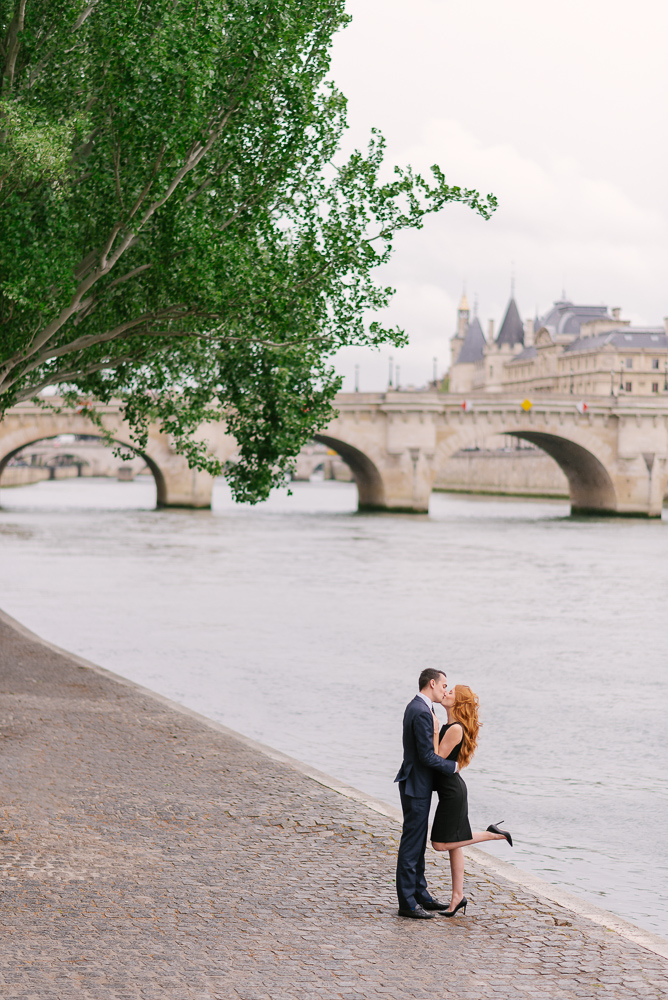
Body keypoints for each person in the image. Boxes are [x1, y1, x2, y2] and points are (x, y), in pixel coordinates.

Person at [430, 684, 512, 917]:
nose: (445, 693)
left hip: (452, 793)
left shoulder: (454, 728)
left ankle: (492, 834)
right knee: (454, 845)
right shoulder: (451, 725)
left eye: (450, 692)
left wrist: (435, 732)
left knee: (441, 844)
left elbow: (436, 759)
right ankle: (458, 897)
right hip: (451, 791)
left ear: (458, 703)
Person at [394, 668, 460, 919]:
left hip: (417, 783)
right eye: (444, 686)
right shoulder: (421, 710)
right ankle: (408, 903)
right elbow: (426, 756)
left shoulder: (421, 707)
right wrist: (453, 766)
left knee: (418, 842)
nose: (445, 690)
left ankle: (421, 895)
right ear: (432, 683)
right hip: (415, 785)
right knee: (411, 844)